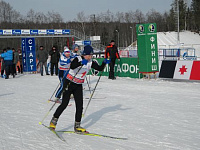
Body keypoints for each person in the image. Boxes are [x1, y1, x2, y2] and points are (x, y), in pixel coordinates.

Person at [49, 45, 110, 133]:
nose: (90, 57)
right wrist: (81, 63)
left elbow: (99, 68)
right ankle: (54, 121)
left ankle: (77, 126)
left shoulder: (90, 62)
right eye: (89, 55)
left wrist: (104, 62)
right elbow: (72, 66)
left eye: (91, 55)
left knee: (80, 106)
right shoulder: (78, 59)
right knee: (64, 104)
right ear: (84, 54)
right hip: (69, 83)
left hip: (78, 85)